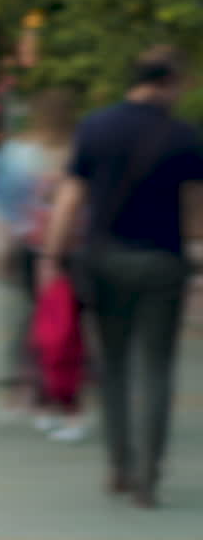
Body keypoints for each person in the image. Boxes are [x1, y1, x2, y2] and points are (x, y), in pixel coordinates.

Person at [39, 46, 203, 508]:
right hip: (163, 263)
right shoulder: (185, 134)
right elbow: (196, 210)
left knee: (112, 366)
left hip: (104, 258)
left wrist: (53, 254)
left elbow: (70, 198)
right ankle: (149, 476)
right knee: (156, 368)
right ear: (169, 80)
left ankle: (120, 466)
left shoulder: (96, 126)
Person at [0, 88, 84, 440]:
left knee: (36, 323)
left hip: (32, 246)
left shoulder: (19, 152)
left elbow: (5, 203)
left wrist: (11, 239)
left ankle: (35, 397)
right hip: (77, 248)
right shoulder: (79, 148)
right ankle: (67, 400)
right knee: (72, 327)